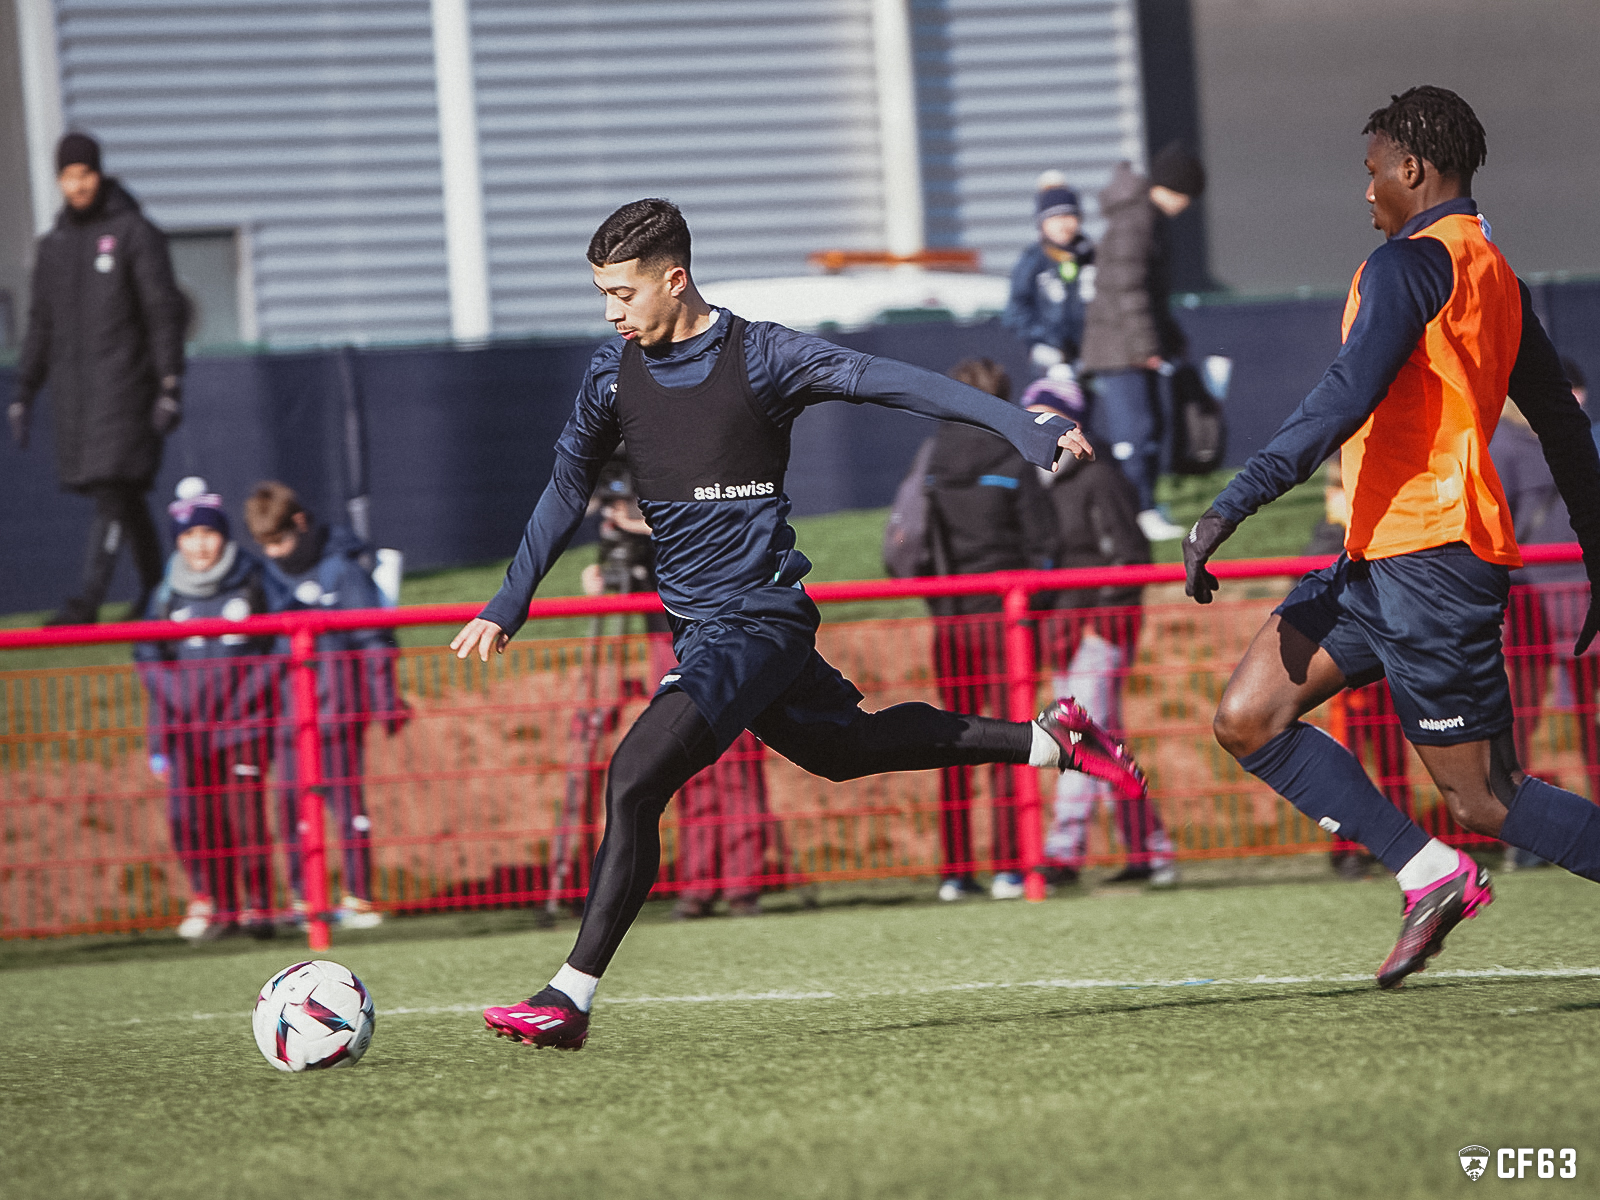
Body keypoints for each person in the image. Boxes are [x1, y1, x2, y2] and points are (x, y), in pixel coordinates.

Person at [458, 198, 1144, 1049]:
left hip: (756, 622)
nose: (610, 312)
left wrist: (1016, 422)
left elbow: (897, 383)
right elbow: (568, 485)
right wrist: (509, 599)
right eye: (601, 294)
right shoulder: (610, 374)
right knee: (844, 750)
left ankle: (568, 997)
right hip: (706, 630)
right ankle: (1052, 742)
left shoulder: (766, 355)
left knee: (634, 776)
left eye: (623, 293)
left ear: (674, 280)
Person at [1183, 86, 1600, 990]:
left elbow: (1344, 395)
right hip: (1376, 557)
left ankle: (1450, 856)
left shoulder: (1410, 265)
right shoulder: (1496, 273)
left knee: (1487, 798)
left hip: (1434, 562)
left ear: (1412, 169)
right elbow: (1566, 430)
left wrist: (1235, 500)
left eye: (1371, 172)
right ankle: (1429, 873)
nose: (1365, 191)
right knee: (1248, 718)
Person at [579, 451, 774, 920]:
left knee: (737, 765)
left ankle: (743, 886)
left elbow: (722, 527)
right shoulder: (631, 470)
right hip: (665, 635)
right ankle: (699, 885)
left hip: (726, 629)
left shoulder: (710, 467)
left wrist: (644, 524)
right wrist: (605, 562)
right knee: (683, 759)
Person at [10, 132, 188, 626]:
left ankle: (86, 602)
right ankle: (157, 589)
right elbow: (41, 323)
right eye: (68, 175)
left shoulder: (135, 233)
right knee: (124, 495)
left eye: (85, 173)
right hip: (76, 398)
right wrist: (24, 391)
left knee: (114, 486)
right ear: (59, 180)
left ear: (99, 174)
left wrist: (170, 383)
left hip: (128, 389)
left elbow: (162, 312)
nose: (77, 184)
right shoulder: (54, 247)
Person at [1021, 377, 1175, 886]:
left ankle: (1064, 852)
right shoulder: (1041, 484)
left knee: (1081, 738)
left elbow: (1129, 557)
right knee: (1105, 741)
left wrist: (1101, 626)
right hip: (1068, 631)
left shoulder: (1099, 477)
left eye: (1049, 416)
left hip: (1096, 632)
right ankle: (1151, 853)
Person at [243, 481, 408, 930]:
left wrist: (384, 699)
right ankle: (305, 900)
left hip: (337, 713)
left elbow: (374, 640)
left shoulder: (343, 570)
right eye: (265, 545)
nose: (275, 553)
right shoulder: (263, 576)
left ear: (299, 523)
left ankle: (359, 895)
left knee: (345, 803)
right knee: (291, 808)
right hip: (287, 718)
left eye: (280, 541)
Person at [921, 358, 1053, 902]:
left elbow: (921, 547)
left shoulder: (933, 458)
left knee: (949, 741)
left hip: (951, 619)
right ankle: (1011, 867)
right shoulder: (1013, 455)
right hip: (1007, 621)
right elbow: (1045, 542)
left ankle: (955, 872)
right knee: (1006, 739)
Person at [134, 480, 289, 940]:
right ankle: (218, 907)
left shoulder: (254, 578)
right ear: (178, 541)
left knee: (246, 817)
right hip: (187, 731)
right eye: (188, 536)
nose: (199, 545)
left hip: (243, 726)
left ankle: (260, 908)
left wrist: (248, 695)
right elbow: (149, 658)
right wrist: (167, 724)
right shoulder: (165, 593)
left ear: (223, 535)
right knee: (193, 820)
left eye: (207, 534)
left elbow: (281, 642)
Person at [1491, 363, 1596, 868]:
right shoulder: (1504, 447)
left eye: (1578, 388)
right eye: (1566, 387)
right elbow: (1497, 524)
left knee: (1591, 722)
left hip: (1585, 604)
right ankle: (1525, 834)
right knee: (1521, 721)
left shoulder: (1587, 440)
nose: (1576, 396)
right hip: (1529, 606)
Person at [1079, 142, 1207, 544]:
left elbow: (1148, 294)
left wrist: (1168, 338)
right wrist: (1145, 347)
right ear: (1174, 189)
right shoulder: (1137, 221)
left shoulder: (1144, 218)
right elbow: (1128, 291)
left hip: (1131, 345)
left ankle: (1145, 504)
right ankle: (1133, 510)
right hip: (1120, 349)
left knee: (1150, 428)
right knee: (1135, 433)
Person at [1004, 172, 1094, 381]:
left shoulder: (1092, 256)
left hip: (1091, 359)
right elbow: (1015, 312)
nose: (1063, 224)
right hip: (1050, 361)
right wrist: (1047, 341)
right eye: (1054, 218)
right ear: (1042, 223)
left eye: (1069, 216)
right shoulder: (1033, 261)